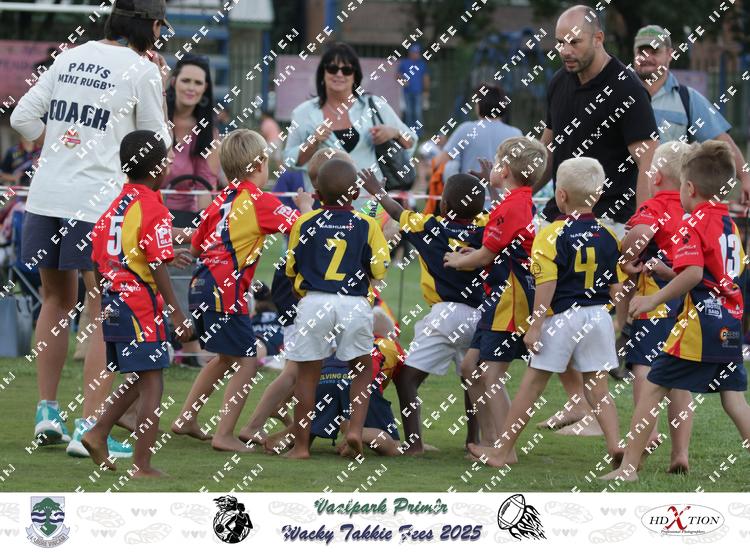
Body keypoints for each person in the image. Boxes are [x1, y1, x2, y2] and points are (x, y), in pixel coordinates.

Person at [10, 0, 172, 459]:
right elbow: (158, 144)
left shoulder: (69, 56)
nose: (160, 34)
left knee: (55, 301)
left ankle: (47, 412)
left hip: (45, 197)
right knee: (100, 309)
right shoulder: (142, 69)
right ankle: (89, 425)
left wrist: (61, 143)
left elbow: (21, 119)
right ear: (148, 25)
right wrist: (159, 88)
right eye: (159, 26)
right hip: (97, 203)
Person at [533, 4, 660, 431]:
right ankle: (579, 403)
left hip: (610, 222)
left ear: (599, 38)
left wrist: (644, 220)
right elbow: (549, 151)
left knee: (590, 322)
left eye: (575, 41)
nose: (565, 50)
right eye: (560, 42)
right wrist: (518, 186)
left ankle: (615, 420)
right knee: (546, 310)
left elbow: (647, 162)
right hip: (559, 220)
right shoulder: (558, 83)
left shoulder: (628, 88)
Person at [604, 141, 750, 482]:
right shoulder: (729, 225)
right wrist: (669, 271)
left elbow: (695, 274)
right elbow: (715, 274)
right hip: (729, 323)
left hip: (697, 324)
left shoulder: (691, 224)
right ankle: (669, 455)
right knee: (734, 400)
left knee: (653, 386)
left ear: (690, 188)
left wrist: (653, 299)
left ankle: (628, 469)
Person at [468, 157, 626, 468]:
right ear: (597, 195)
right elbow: (615, 287)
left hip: (563, 317)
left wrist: (536, 325)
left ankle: (501, 451)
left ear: (561, 195)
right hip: (598, 317)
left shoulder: (551, 234)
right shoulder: (608, 235)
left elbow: (547, 283)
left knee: (532, 386)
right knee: (598, 388)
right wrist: (621, 320)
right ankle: (615, 445)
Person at [171, 129, 312, 452]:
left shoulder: (220, 200)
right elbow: (304, 228)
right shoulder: (259, 201)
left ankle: (186, 418)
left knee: (224, 358)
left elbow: (195, 247)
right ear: (259, 164)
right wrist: (305, 206)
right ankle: (224, 434)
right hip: (225, 291)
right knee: (247, 359)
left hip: (200, 285)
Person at [82, 130, 192, 477]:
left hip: (114, 302)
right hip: (140, 306)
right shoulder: (153, 207)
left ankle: (98, 432)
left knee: (142, 376)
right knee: (153, 384)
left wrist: (106, 296)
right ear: (159, 168)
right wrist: (177, 312)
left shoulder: (115, 207)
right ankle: (142, 465)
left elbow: (97, 258)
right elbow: (155, 263)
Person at [236, 149, 355, 447]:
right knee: (295, 368)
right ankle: (255, 425)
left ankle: (284, 414)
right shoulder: (320, 215)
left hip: (301, 291)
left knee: (307, 364)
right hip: (298, 292)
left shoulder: (325, 212)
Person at [362, 172, 487, 454]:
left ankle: (414, 443)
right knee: (472, 379)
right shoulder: (486, 226)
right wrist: (488, 186)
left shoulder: (431, 227)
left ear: (443, 205)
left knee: (407, 378)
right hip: (479, 317)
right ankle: (473, 442)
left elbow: (398, 212)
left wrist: (378, 191)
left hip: (445, 315)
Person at [282, 158, 390, 459]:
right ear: (356, 193)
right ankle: (355, 430)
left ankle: (301, 448)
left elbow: (291, 269)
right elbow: (379, 269)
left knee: (307, 376)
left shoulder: (304, 222)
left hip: (314, 300)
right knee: (362, 369)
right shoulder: (367, 224)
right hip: (353, 303)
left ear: (317, 193)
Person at [444, 137, 545, 453]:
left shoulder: (512, 205)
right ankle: (490, 440)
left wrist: (458, 260)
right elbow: (497, 248)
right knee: (469, 368)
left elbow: (487, 255)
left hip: (509, 299)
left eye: (497, 161)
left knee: (490, 373)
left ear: (504, 170)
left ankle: (505, 449)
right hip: (497, 298)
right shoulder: (515, 201)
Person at [620, 141, 694, 473]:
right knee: (680, 379)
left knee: (644, 368)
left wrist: (626, 256)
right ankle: (680, 453)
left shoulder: (656, 205)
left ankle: (647, 433)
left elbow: (642, 232)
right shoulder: (694, 210)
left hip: (656, 303)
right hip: (688, 303)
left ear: (658, 177)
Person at [282, 41, 416, 211]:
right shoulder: (303, 112)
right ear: (322, 73)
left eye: (346, 70)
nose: (339, 74)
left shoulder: (374, 105)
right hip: (323, 208)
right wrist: (313, 141)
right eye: (332, 68)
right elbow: (289, 160)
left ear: (355, 75)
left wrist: (394, 133)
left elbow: (410, 141)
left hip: (372, 206)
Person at [632, 25, 750, 202]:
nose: (647, 57)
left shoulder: (687, 99)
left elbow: (722, 142)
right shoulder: (619, 95)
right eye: (642, 52)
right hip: (624, 205)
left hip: (671, 206)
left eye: (655, 51)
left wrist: (747, 178)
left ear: (669, 54)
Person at [163, 54, 220, 367]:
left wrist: (201, 232)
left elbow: (206, 188)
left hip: (190, 218)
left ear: (205, 89)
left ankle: (191, 342)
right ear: (173, 82)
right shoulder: (158, 121)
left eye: (198, 83)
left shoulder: (208, 132)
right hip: (154, 213)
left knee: (191, 268)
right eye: (186, 80)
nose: (191, 87)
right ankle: (175, 342)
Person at [438, 84, 522, 206]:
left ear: (479, 105)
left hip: (470, 205)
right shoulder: (516, 134)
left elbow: (441, 161)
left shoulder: (466, 129)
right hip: (504, 204)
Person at [396, 44, 430, 134]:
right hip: (407, 92)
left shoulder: (422, 64)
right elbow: (397, 75)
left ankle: (419, 132)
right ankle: (409, 131)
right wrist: (403, 81)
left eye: (417, 53)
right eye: (414, 52)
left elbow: (425, 77)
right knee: (409, 112)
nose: (416, 54)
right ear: (410, 53)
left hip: (418, 92)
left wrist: (426, 90)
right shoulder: (404, 63)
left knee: (417, 112)